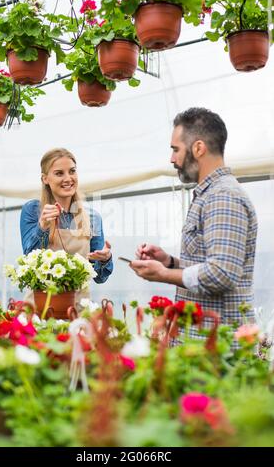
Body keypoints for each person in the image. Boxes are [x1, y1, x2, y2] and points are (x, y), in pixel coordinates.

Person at [130, 107, 257, 338]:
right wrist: (168, 262)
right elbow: (209, 263)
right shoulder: (210, 194)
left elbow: (221, 273)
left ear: (198, 148)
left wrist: (162, 274)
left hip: (217, 348)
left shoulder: (223, 196)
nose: (172, 159)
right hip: (204, 344)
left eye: (176, 149)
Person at [20, 148, 113, 307]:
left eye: (72, 171)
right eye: (59, 173)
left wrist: (105, 259)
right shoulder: (33, 210)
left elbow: (99, 277)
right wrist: (42, 226)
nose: (68, 178)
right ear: (45, 179)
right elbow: (29, 259)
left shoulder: (92, 218)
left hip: (77, 309)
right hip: (40, 308)